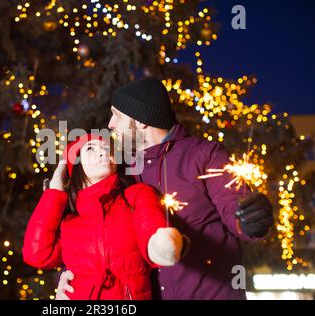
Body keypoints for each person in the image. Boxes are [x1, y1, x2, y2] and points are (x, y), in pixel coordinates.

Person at [56, 77, 273, 300]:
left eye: (117, 115)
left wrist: (251, 220)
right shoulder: (123, 170)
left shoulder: (204, 155)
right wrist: (69, 274)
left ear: (140, 121)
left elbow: (234, 204)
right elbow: (97, 231)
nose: (110, 124)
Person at [22, 133, 183, 300]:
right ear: (76, 165)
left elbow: (151, 232)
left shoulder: (135, 196)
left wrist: (162, 243)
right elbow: (36, 255)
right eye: (90, 148)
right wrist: (55, 190)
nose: (103, 152)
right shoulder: (69, 220)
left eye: (107, 148)